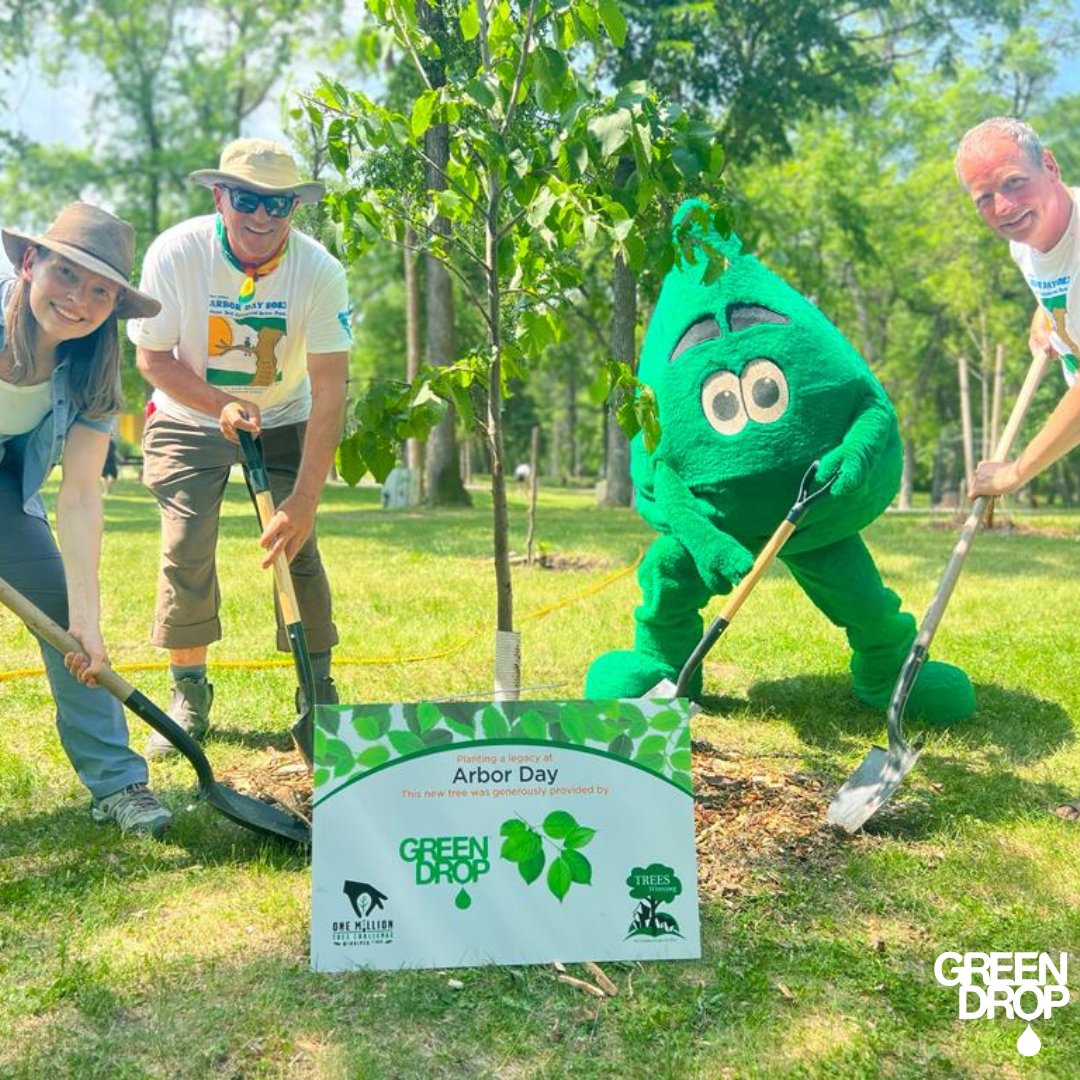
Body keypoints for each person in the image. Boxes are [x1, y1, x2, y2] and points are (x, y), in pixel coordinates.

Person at [127, 138, 350, 757]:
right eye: (247, 199)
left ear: (294, 209)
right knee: (186, 545)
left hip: (283, 413)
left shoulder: (320, 272)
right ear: (220, 196)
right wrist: (216, 404)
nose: (261, 217)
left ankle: (317, 691)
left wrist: (303, 499)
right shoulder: (176, 253)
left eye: (277, 205)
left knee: (296, 548)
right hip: (186, 413)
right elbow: (152, 358)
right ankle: (188, 690)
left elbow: (331, 389)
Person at [0, 202, 171, 836]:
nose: (79, 300)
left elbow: (78, 498)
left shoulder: (94, 367)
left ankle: (119, 785)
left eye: (100, 290)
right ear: (29, 263)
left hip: (5, 491)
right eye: (67, 275)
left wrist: (88, 622)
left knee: (67, 630)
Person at [955, 116, 1080, 820]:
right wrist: (1049, 320)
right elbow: (1058, 296)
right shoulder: (1029, 248)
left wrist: (1016, 471)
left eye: (1013, 184)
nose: (1001, 207)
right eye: (983, 199)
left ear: (1052, 167)